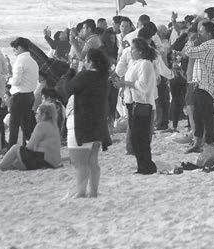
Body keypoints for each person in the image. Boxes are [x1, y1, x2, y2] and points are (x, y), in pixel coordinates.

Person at [66, 48, 109, 198]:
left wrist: (72, 71)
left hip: (82, 123)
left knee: (79, 163)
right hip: (98, 124)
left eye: (85, 60)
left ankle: (81, 192)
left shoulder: (85, 75)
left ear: (90, 62)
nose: (84, 62)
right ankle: (93, 191)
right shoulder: (103, 77)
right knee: (93, 162)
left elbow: (67, 89)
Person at [116, 37, 158, 174]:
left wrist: (125, 84)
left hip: (142, 104)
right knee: (135, 138)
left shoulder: (145, 64)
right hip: (132, 103)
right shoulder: (135, 63)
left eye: (133, 49)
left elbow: (144, 86)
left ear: (140, 51)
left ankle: (147, 166)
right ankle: (143, 166)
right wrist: (123, 85)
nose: (131, 51)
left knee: (140, 138)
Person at [183, 21, 214, 152]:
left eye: (201, 32)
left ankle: (207, 142)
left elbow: (189, 52)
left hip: (203, 84)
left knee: (204, 115)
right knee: (200, 115)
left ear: (209, 34)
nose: (199, 34)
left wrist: (190, 40)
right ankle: (200, 142)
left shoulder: (207, 47)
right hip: (207, 84)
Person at [0, 102, 61, 171]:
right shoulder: (54, 126)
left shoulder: (41, 125)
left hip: (43, 161)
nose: (35, 115)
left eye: (37, 113)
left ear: (43, 115)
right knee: (15, 163)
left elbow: (30, 147)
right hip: (53, 162)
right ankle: (6, 166)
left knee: (15, 148)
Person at [8, 37, 39, 146]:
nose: (14, 51)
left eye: (15, 49)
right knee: (26, 126)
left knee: (14, 127)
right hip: (30, 95)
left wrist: (9, 79)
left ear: (20, 48)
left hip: (19, 97)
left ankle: (10, 150)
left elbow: (16, 81)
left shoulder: (20, 60)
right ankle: (27, 149)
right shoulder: (33, 61)